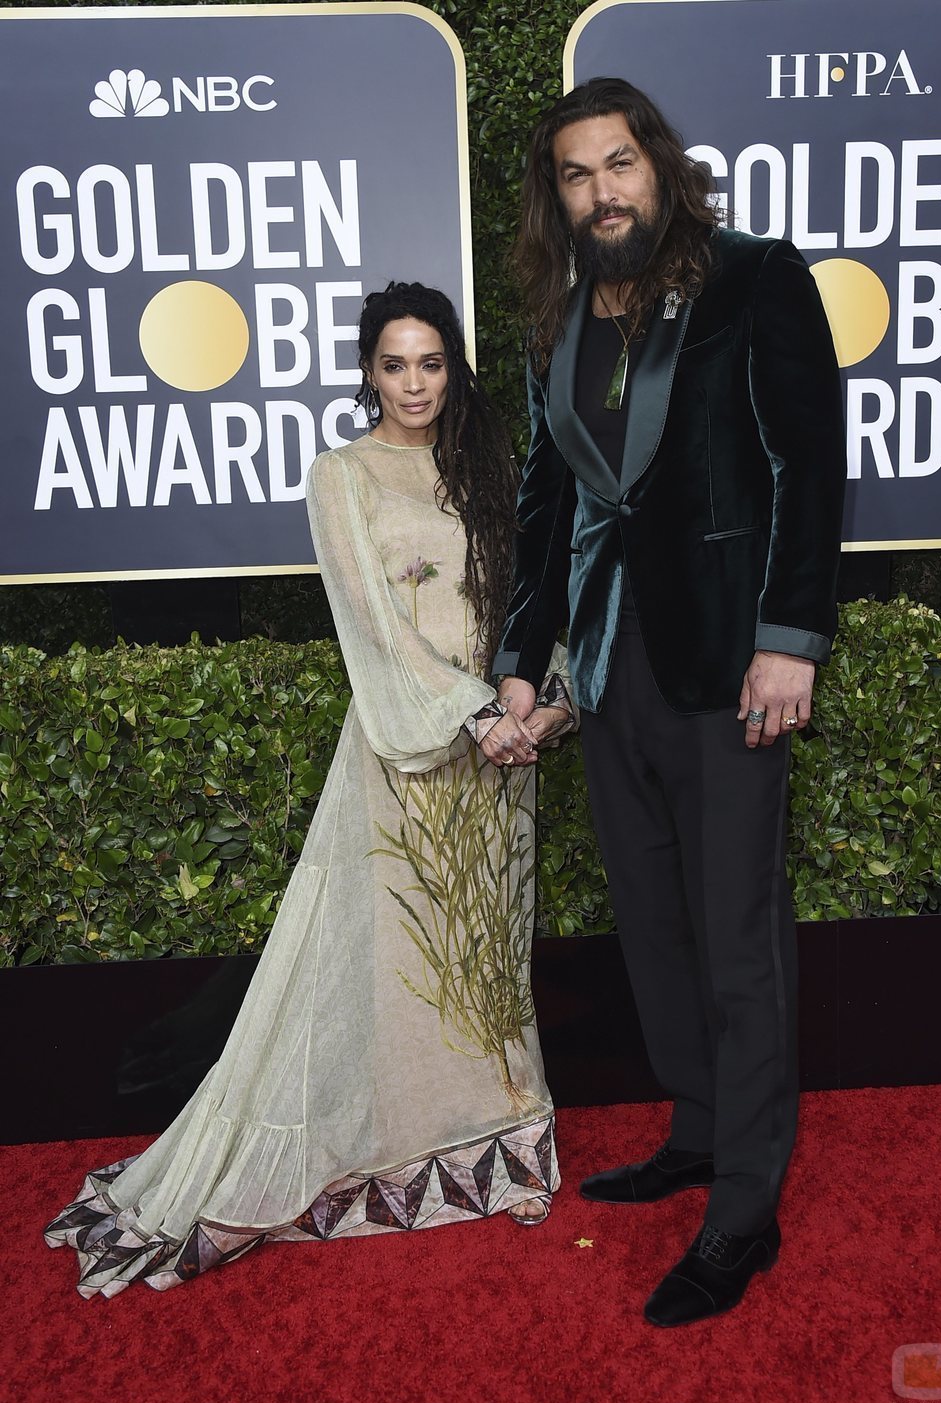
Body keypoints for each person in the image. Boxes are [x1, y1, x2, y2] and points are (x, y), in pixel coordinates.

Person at [45, 282, 574, 1297]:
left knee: (485, 947)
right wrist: (473, 715)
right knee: (391, 959)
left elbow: (531, 596)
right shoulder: (342, 474)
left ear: (452, 367)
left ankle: (499, 1141)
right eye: (393, 364)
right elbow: (370, 623)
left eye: (430, 362)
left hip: (503, 755)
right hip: (409, 751)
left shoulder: (488, 468)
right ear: (366, 370)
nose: (413, 383)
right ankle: (375, 1142)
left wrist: (541, 707)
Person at [493, 78, 846, 1326]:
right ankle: (698, 1129)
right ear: (559, 198)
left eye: (618, 165)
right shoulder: (560, 322)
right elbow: (547, 511)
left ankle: (744, 1209)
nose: (601, 193)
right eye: (576, 176)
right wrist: (521, 661)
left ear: (658, 167)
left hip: (728, 666)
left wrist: (787, 639)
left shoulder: (754, 277)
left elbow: (809, 463)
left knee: (736, 939)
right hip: (608, 668)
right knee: (652, 923)